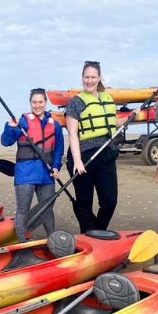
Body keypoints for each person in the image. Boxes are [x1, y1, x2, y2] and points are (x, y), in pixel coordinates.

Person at [2, 88, 64, 242]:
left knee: (47, 210)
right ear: (30, 103)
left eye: (40, 102)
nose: (37, 105)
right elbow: (6, 141)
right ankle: (22, 244)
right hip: (25, 173)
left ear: (45, 103)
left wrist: (56, 166)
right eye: (34, 102)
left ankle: (53, 241)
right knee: (22, 210)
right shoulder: (22, 122)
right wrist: (10, 127)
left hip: (47, 174)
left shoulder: (54, 125)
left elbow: (58, 149)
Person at [64, 61, 119, 233]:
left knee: (109, 201)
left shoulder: (106, 98)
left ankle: (98, 232)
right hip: (83, 156)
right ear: (82, 78)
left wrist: (131, 116)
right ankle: (88, 232)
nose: (89, 81)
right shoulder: (76, 102)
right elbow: (72, 133)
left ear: (99, 77)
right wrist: (77, 161)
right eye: (86, 77)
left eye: (93, 77)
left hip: (106, 154)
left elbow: (112, 122)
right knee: (84, 202)